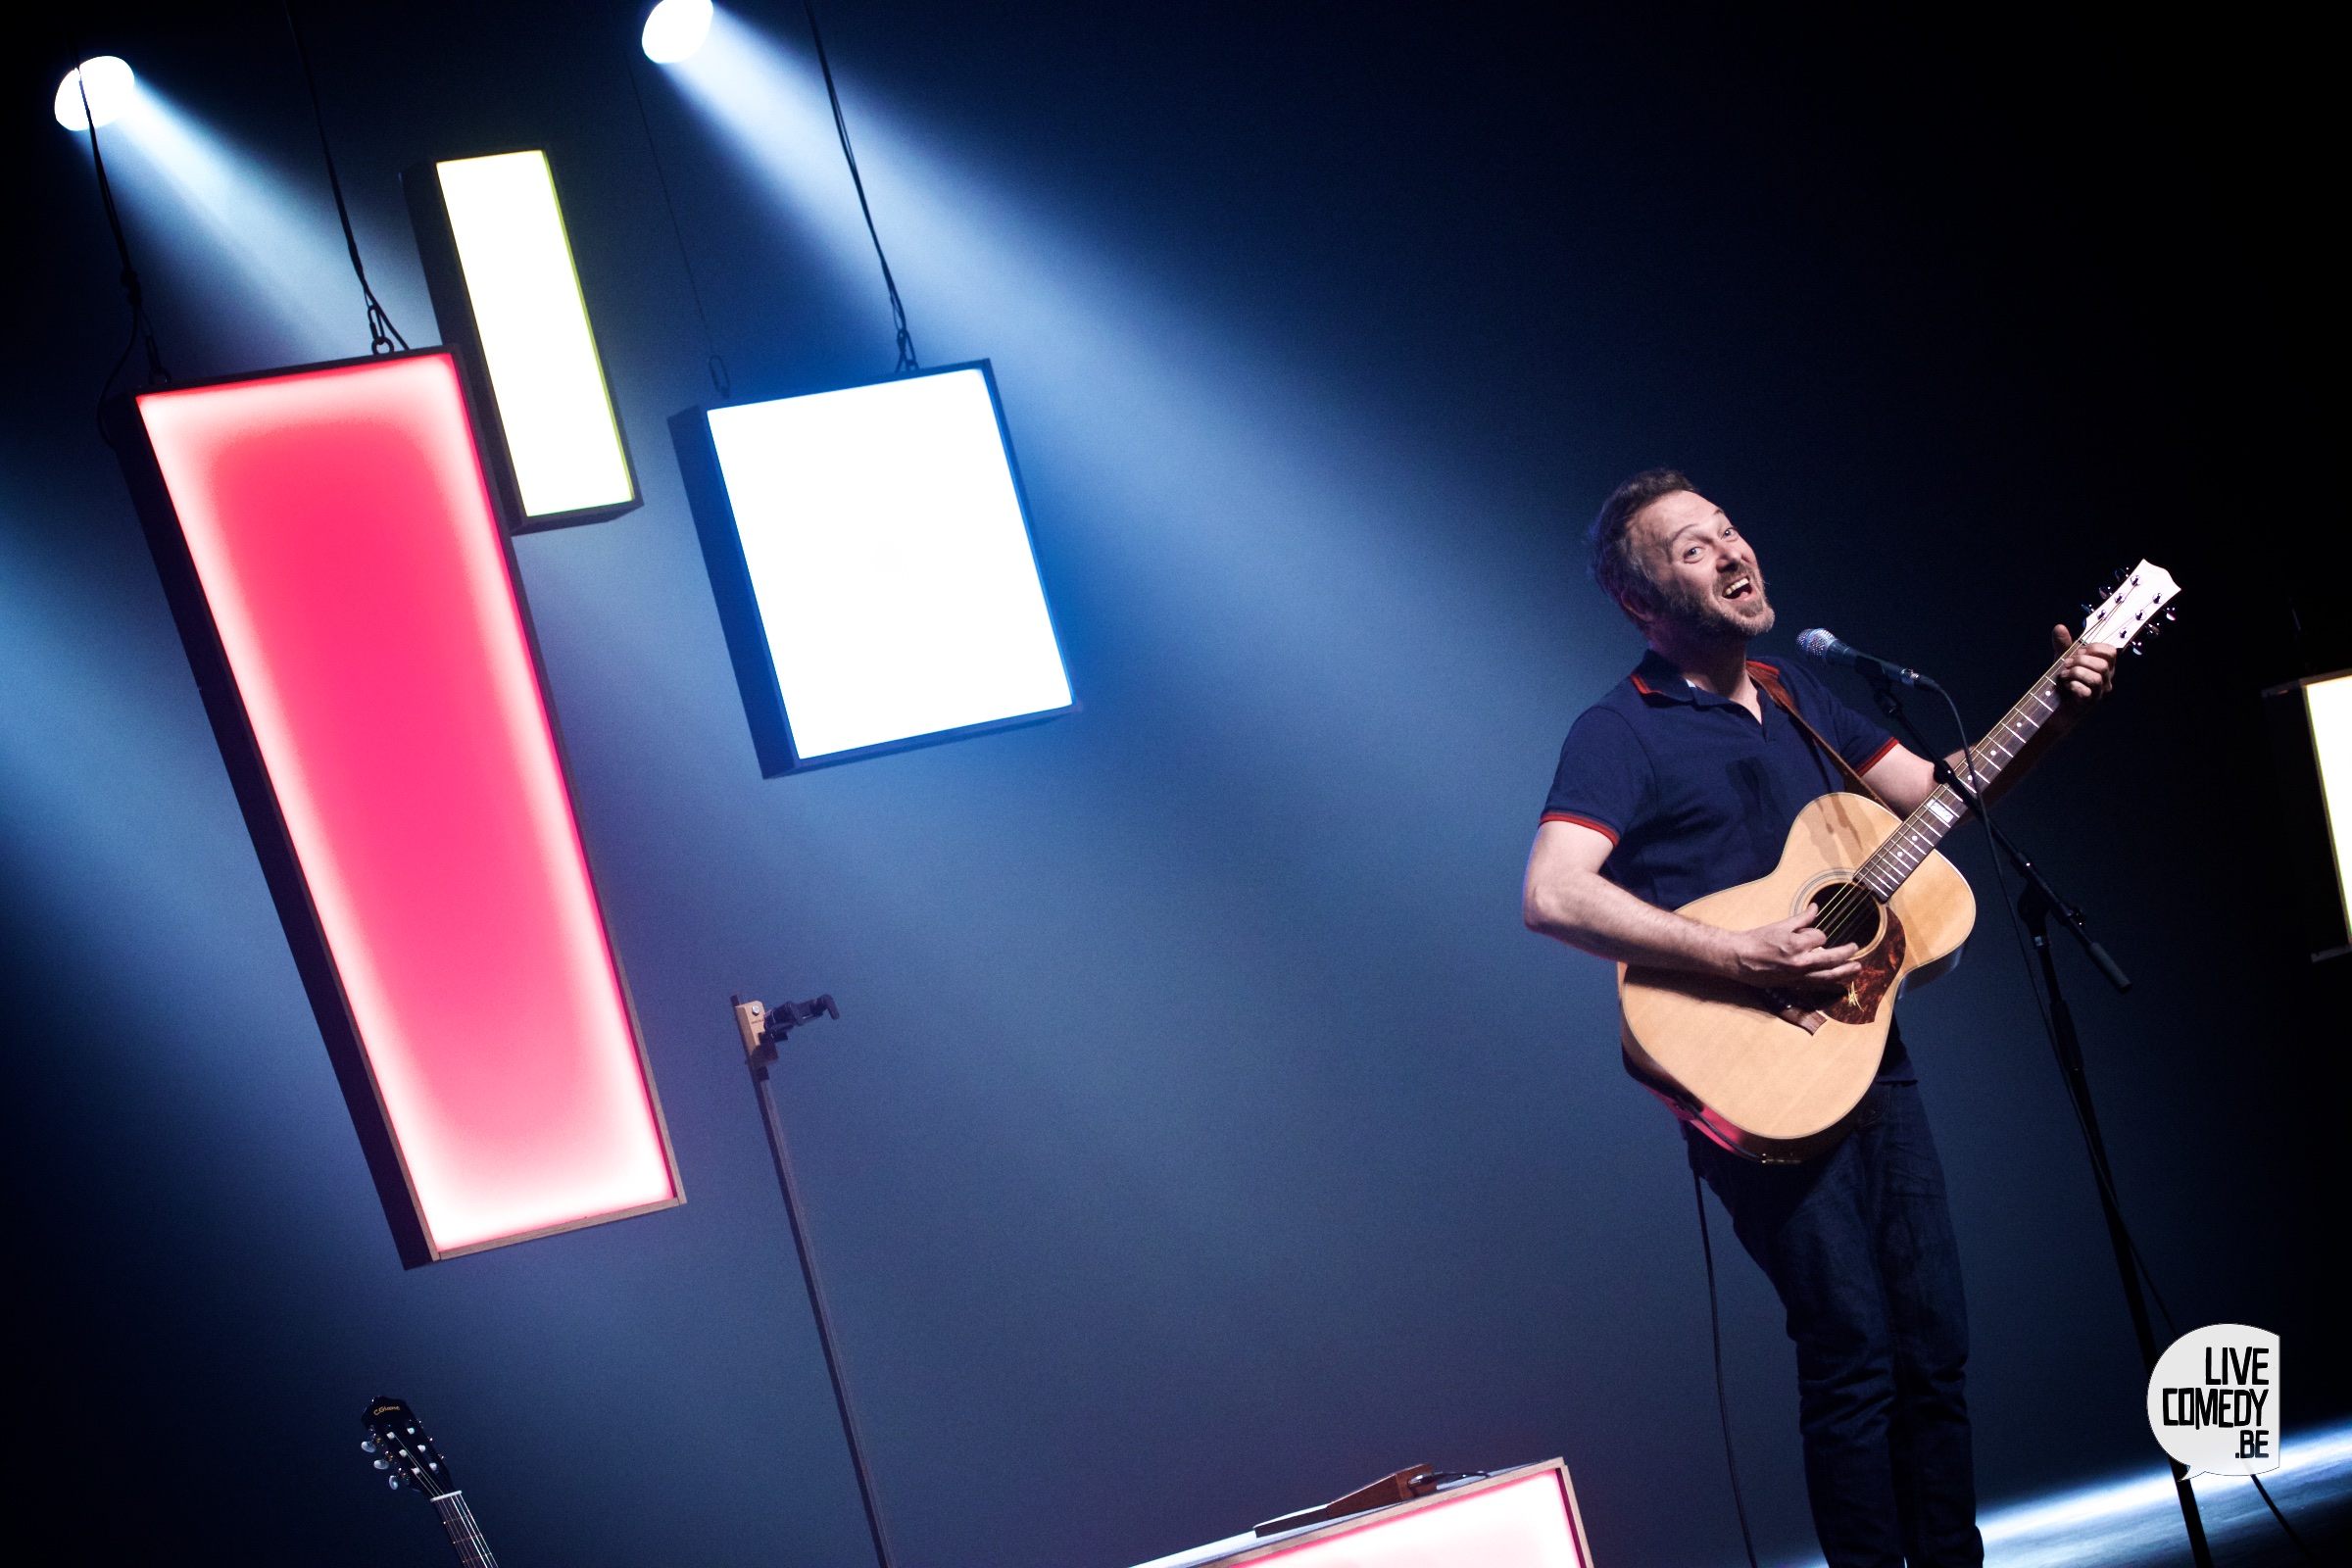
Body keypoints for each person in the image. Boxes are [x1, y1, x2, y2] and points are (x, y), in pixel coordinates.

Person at [1521, 469, 2116, 1568]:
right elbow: (1553, 892)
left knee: (1934, 1341)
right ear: (1639, 601)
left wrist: (2059, 710)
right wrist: (1737, 947)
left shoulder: (1799, 691)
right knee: (1852, 1350)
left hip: (1864, 1055)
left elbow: (1947, 792)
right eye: (1694, 549)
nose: (1734, 552)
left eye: (1731, 528)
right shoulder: (1620, 729)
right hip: (1751, 1079)